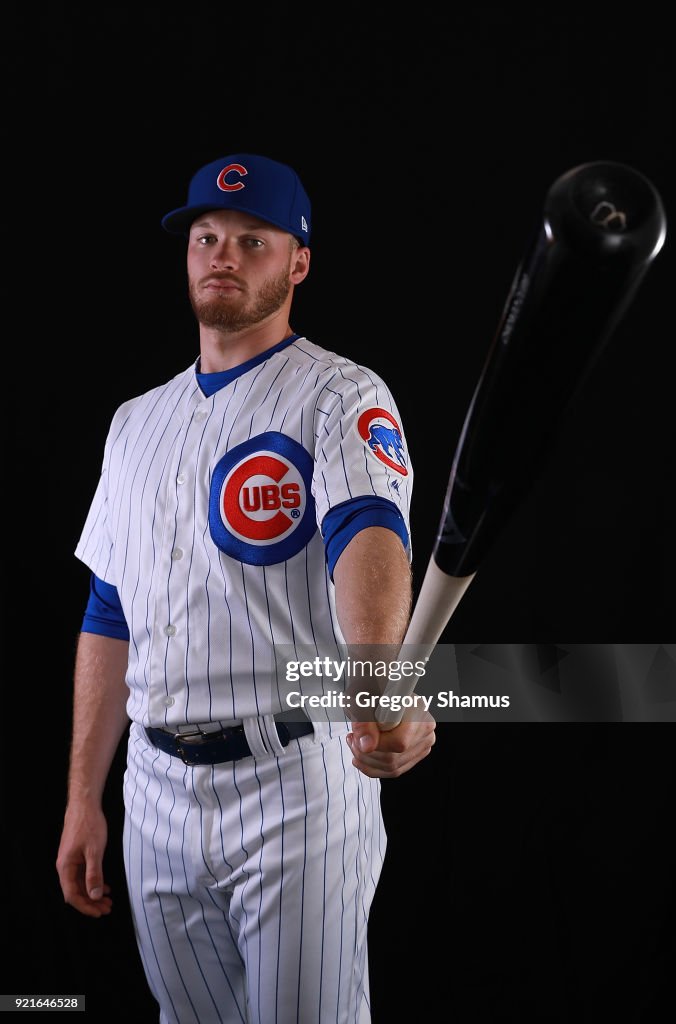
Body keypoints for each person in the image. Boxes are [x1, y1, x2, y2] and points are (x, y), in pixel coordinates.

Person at [56, 152, 436, 1024]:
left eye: (251, 240)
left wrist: (381, 677)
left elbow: (367, 537)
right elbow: (108, 613)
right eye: (205, 236)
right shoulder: (134, 423)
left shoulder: (339, 394)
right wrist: (84, 796)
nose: (221, 254)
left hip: (292, 781)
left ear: (297, 262)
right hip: (153, 791)